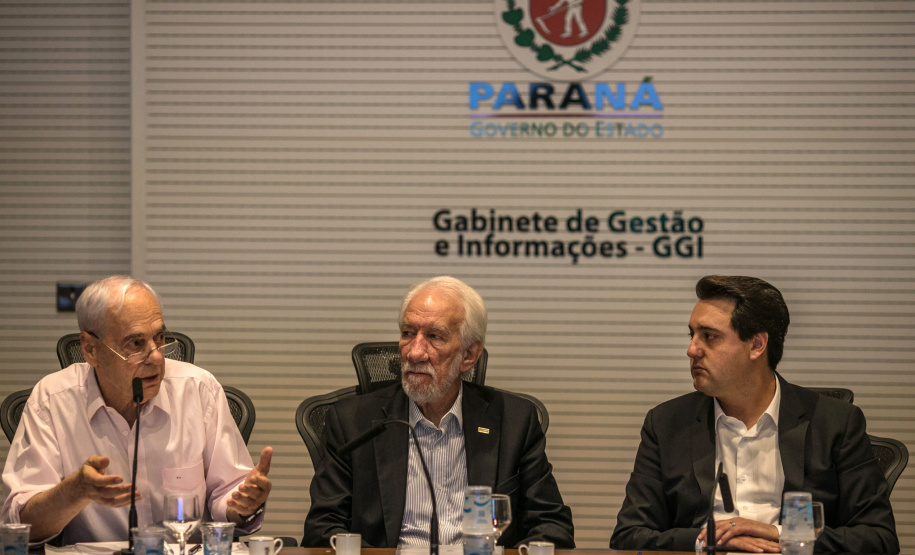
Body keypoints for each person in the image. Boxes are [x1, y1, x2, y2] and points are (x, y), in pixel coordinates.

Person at [610, 275, 898, 554]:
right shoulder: (666, 424)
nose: (691, 349)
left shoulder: (835, 423)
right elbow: (629, 535)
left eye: (709, 336)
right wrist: (708, 541)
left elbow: (878, 537)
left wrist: (779, 534)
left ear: (757, 345)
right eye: (692, 335)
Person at [303, 276, 574, 549]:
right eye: (408, 333)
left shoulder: (515, 422)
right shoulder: (352, 422)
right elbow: (322, 528)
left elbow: (553, 526)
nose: (414, 353)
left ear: (469, 355)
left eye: (434, 336)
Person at [1, 276, 273, 543]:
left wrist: (242, 507)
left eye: (159, 337)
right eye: (135, 344)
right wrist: (74, 491)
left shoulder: (199, 390)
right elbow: (21, 525)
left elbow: (228, 494)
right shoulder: (51, 401)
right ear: (90, 349)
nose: (156, 357)